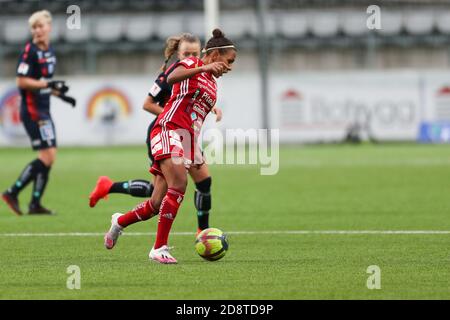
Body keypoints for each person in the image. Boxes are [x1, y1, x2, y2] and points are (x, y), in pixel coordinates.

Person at [103, 28, 236, 264]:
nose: (230, 67)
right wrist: (203, 67)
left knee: (156, 204)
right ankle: (158, 248)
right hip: (167, 129)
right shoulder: (193, 62)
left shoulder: (213, 86)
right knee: (180, 184)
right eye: (229, 60)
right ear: (215, 55)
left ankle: (119, 222)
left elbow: (193, 114)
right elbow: (171, 79)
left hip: (186, 139)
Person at [89, 33, 222, 234]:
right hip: (165, 131)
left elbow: (193, 98)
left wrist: (212, 108)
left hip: (185, 134)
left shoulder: (200, 74)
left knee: (204, 181)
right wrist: (174, 115)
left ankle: (202, 231)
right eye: (186, 53)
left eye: (194, 53)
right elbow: (147, 104)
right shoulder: (168, 75)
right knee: (158, 193)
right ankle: (108, 187)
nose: (190, 56)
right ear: (178, 53)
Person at [1, 10, 76, 216]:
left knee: (48, 156)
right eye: (34, 27)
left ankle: (35, 203)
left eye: (40, 26)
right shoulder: (29, 51)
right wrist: (48, 83)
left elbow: (43, 82)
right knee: (48, 155)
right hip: (33, 111)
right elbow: (21, 81)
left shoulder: (50, 50)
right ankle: (12, 191)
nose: (37, 30)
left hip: (44, 108)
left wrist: (60, 94)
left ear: (49, 27)